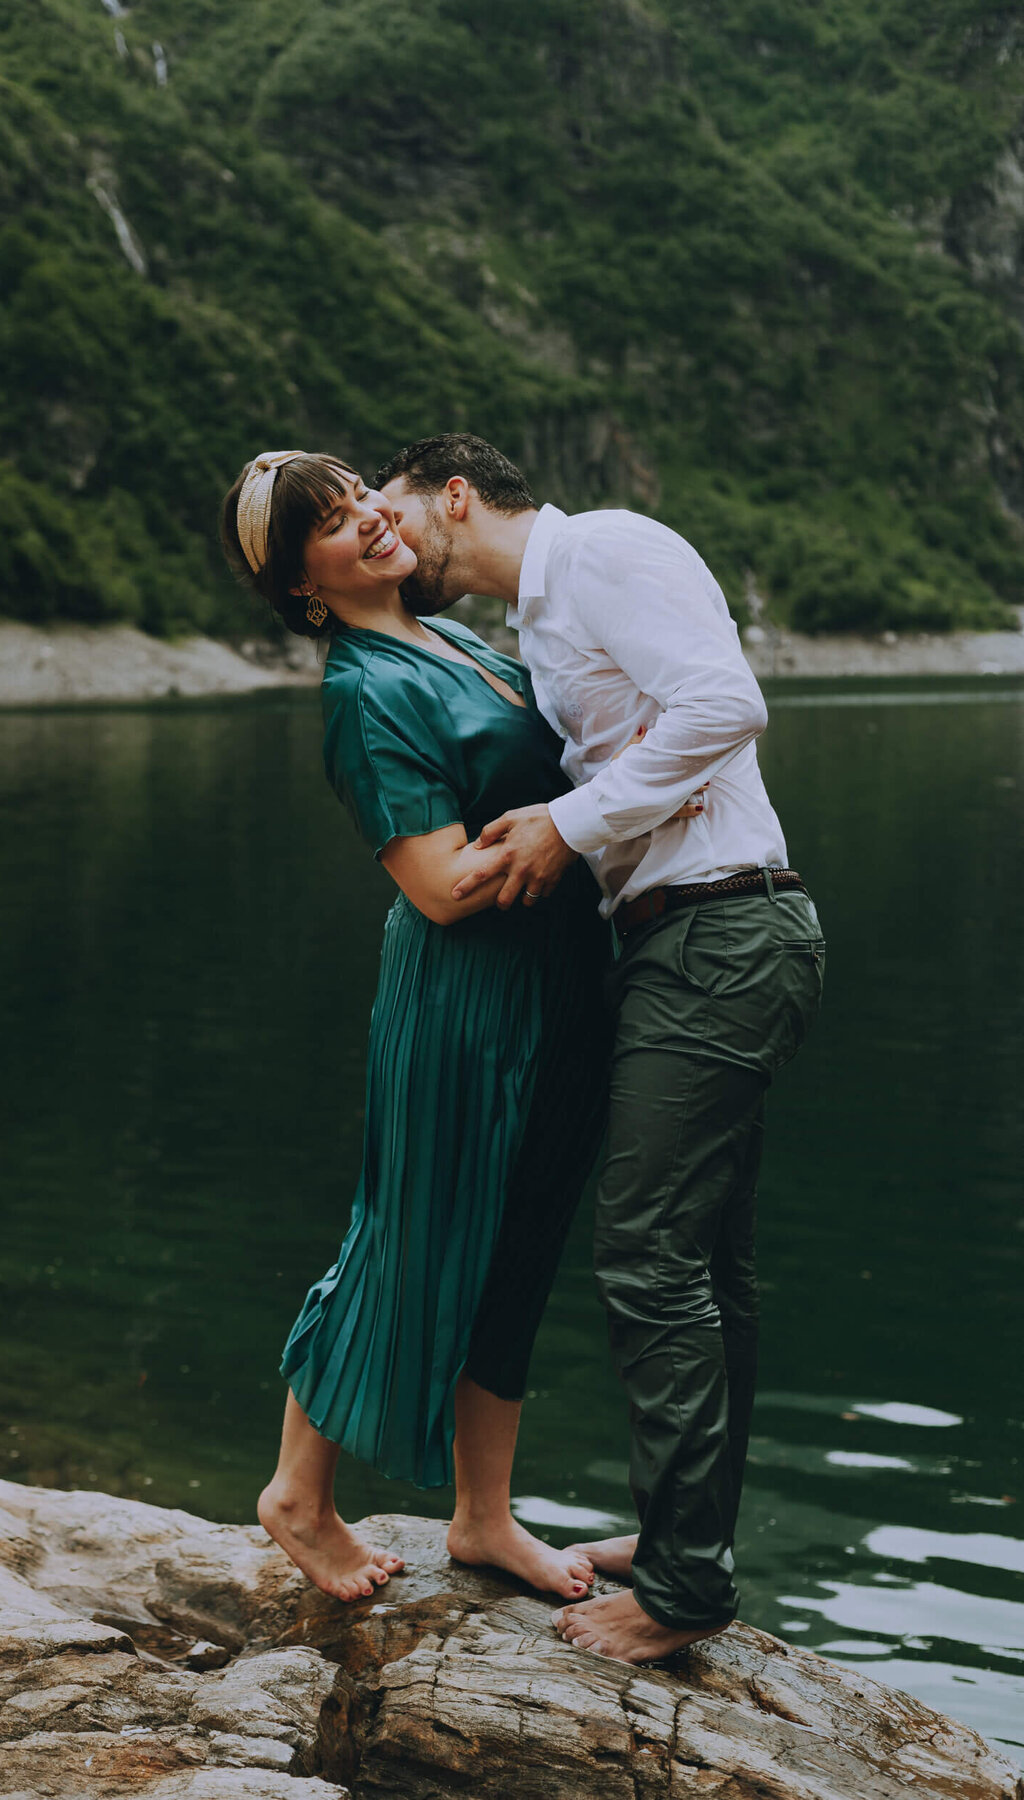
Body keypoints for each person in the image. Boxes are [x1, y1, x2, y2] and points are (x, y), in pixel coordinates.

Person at [219, 450, 698, 1605]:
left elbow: (561, 778)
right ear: (303, 589)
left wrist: (622, 778)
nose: (365, 522)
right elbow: (436, 886)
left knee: (521, 1243)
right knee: (406, 1237)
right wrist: (577, 821)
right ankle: (297, 1494)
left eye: (355, 500)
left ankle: (483, 1519)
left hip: (559, 984)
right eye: (327, 527)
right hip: (464, 1006)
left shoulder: (458, 643)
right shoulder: (363, 691)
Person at [376, 433, 825, 1663]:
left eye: (391, 509)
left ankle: (683, 1593)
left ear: (453, 494)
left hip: (725, 930)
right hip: (691, 940)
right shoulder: (537, 627)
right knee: (708, 1267)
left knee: (646, 1255)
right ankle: (692, 1538)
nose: (382, 535)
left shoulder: (608, 551)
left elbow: (728, 705)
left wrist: (571, 822)